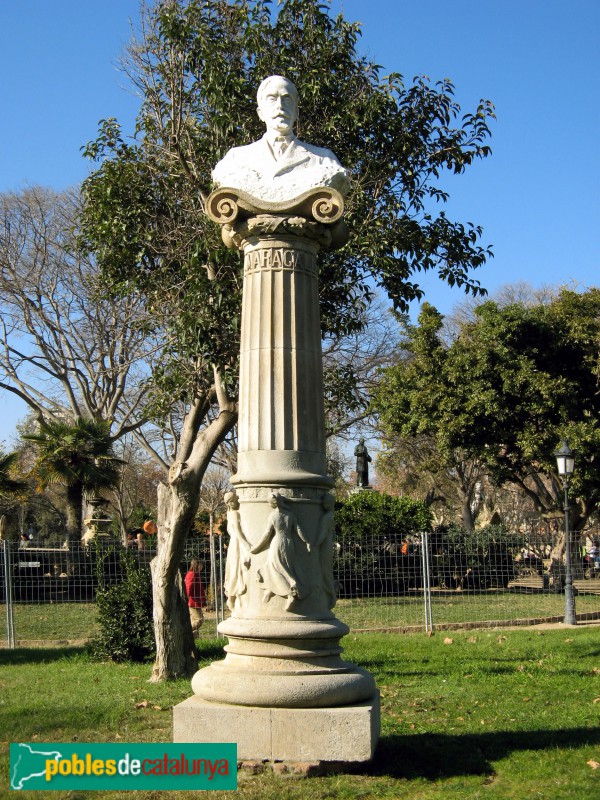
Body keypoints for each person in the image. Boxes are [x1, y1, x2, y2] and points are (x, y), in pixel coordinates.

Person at [212, 75, 350, 203]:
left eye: (287, 99)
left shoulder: (324, 159)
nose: (280, 105)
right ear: (260, 113)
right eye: (272, 99)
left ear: (296, 112)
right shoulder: (236, 159)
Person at [251, 494, 311, 609]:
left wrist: (257, 547)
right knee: (286, 567)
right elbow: (298, 530)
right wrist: (307, 542)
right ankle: (271, 589)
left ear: (272, 504)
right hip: (289, 543)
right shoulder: (290, 515)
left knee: (276, 567)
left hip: (277, 543)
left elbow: (267, 534)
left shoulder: (273, 516)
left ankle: (290, 591)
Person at [184, 559, 207, 637]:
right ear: (196, 565)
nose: (202, 566)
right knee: (199, 620)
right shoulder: (192, 574)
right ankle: (184, 631)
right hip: (193, 601)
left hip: (196, 601)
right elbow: (188, 587)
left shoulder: (196, 574)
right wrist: (187, 597)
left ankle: (192, 639)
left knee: (193, 620)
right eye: (201, 564)